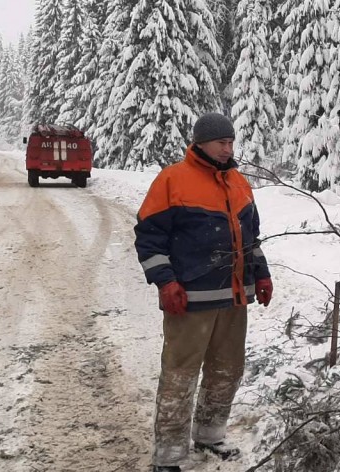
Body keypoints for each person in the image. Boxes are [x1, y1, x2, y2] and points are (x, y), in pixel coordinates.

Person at [134, 112, 272, 472]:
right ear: (201, 143)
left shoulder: (240, 183)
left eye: (231, 142)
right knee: (180, 374)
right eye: (221, 142)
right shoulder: (172, 180)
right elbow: (149, 238)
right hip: (189, 301)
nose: (228, 149)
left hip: (234, 299)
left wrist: (262, 274)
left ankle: (210, 434)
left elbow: (251, 237)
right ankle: (168, 454)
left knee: (226, 370)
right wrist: (166, 281)